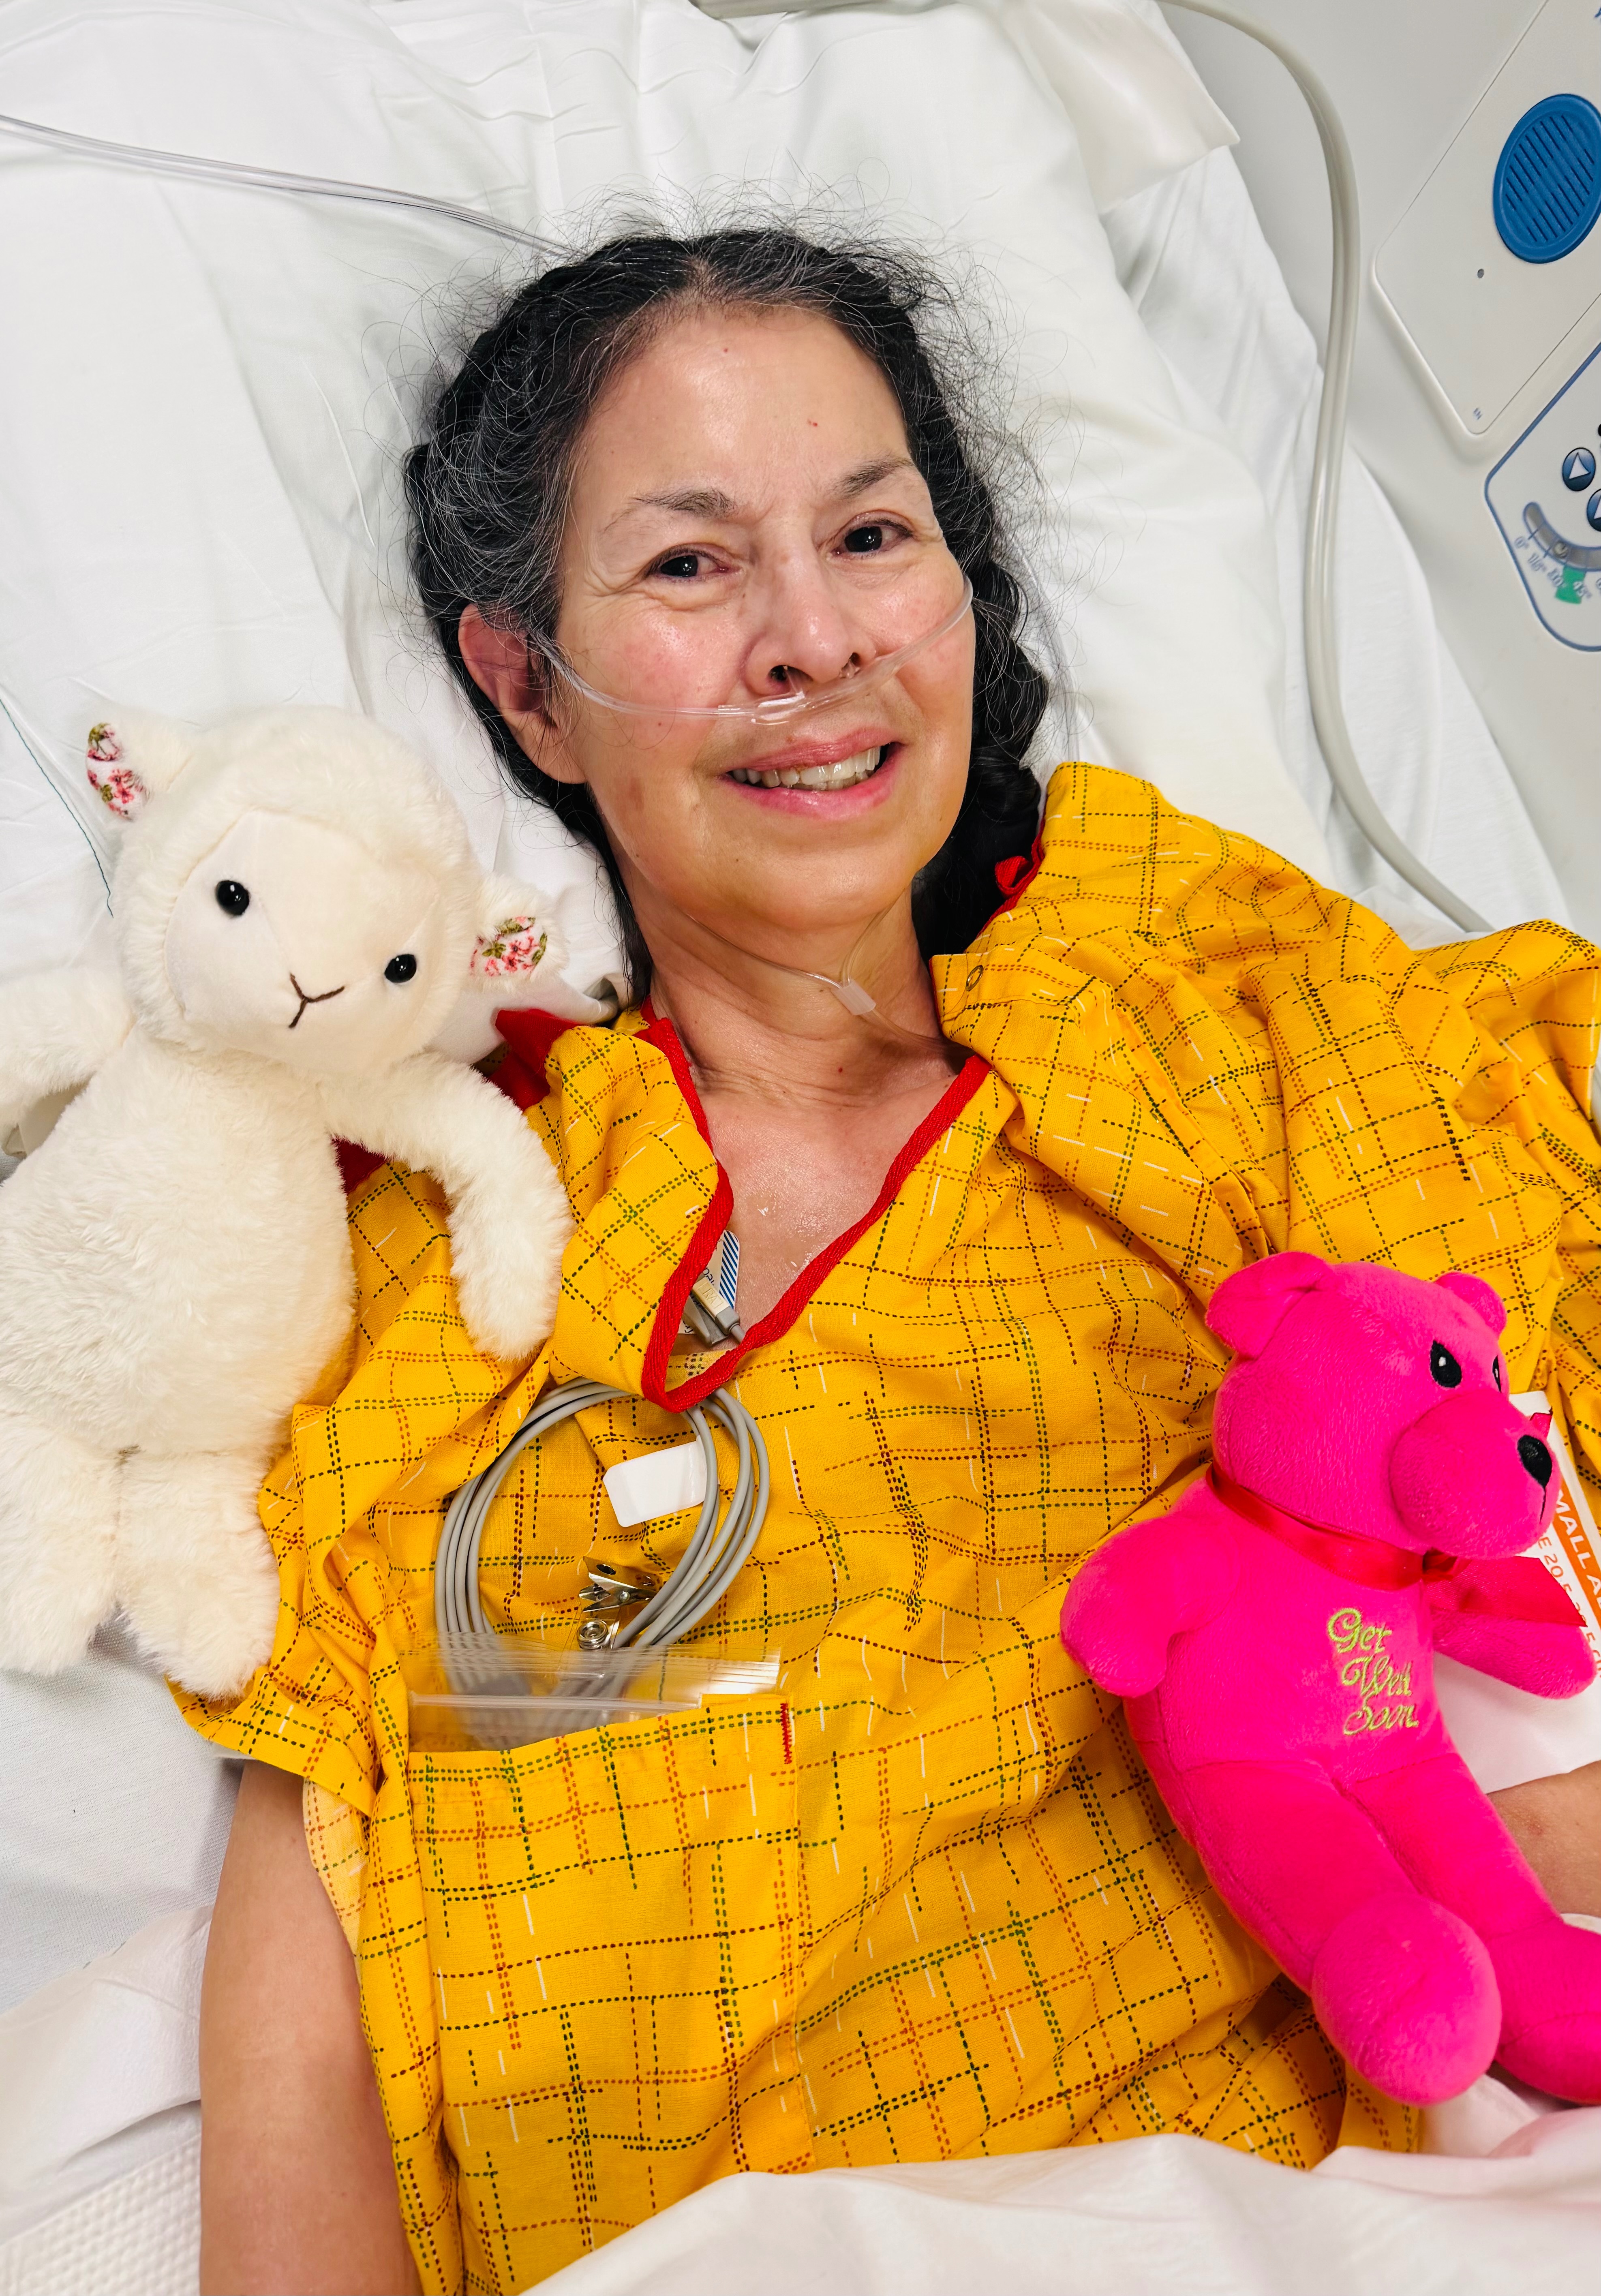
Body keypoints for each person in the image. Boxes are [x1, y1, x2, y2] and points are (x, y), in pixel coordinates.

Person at [192, 229, 1601, 2296]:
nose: (812, 640)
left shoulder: (1212, 1014)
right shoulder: (447, 1277)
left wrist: (1495, 1870)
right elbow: (315, 1928)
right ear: (524, 685)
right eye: (690, 565)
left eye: (870, 535)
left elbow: (1514, 1456)